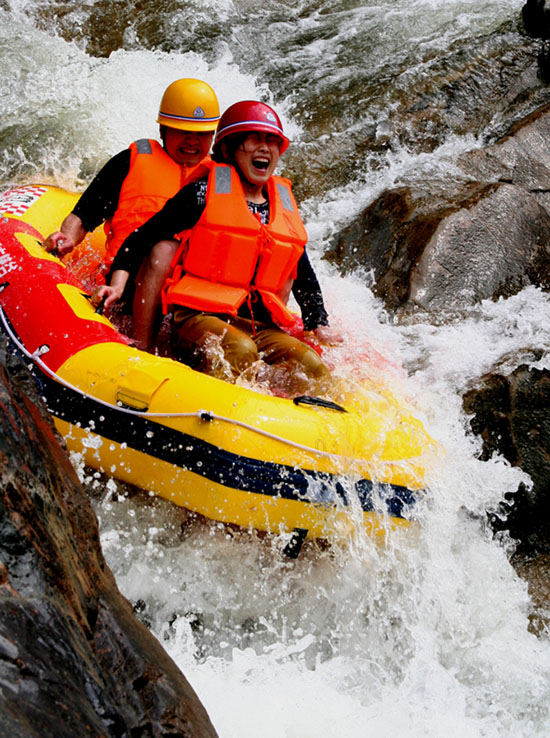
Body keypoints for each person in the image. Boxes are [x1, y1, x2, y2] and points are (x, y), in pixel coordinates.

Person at [95, 100, 340, 392]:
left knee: (311, 365)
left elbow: (302, 269)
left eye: (272, 141)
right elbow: (143, 237)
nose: (265, 148)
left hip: (260, 326)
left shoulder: (282, 204)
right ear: (228, 149)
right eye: (254, 140)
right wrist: (117, 284)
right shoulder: (201, 193)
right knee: (240, 350)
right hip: (198, 318)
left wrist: (318, 321)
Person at [44, 78, 220, 348]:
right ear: (163, 129)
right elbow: (85, 214)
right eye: (182, 131)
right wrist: (66, 238)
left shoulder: (219, 181)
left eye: (202, 134)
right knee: (165, 249)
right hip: (126, 286)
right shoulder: (131, 162)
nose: (192, 142)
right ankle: (141, 345)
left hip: (189, 298)